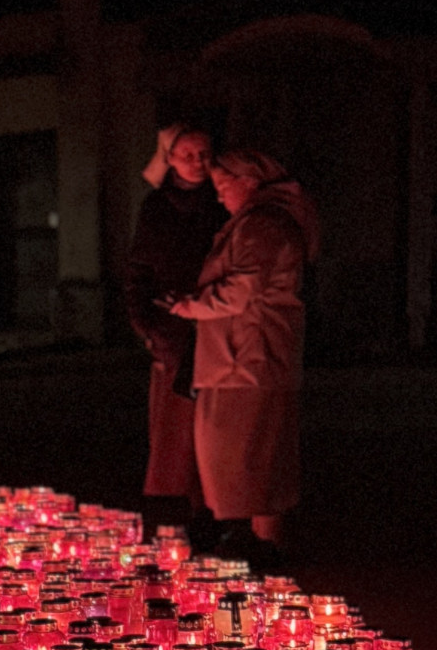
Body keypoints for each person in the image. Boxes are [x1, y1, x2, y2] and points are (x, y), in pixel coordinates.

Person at [166, 146, 321, 555]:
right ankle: (254, 542)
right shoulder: (254, 224)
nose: (218, 196)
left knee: (251, 459)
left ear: (248, 182)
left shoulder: (263, 226)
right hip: (239, 358)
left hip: (247, 360)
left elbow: (244, 289)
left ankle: (263, 547)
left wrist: (191, 306)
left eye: (222, 185)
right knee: (243, 458)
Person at [124, 124, 224, 533]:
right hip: (172, 332)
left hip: (216, 325)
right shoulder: (156, 207)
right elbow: (139, 270)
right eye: (187, 155)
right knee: (173, 425)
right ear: (169, 158)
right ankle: (172, 511)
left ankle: (214, 509)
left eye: (203, 154)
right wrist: (147, 326)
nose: (196, 163)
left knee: (216, 427)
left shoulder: (222, 200)